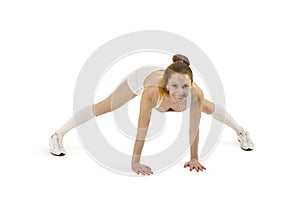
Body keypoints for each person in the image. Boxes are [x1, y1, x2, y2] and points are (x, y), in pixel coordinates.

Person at [49, 54, 254, 175]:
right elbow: (142, 129)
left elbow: (194, 128)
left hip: (168, 78)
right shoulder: (152, 93)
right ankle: (57, 135)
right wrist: (135, 162)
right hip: (143, 78)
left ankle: (242, 132)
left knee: (207, 108)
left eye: (185, 86)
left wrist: (194, 158)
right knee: (105, 107)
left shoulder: (194, 94)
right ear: (166, 84)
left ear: (192, 84)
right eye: (174, 86)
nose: (180, 92)